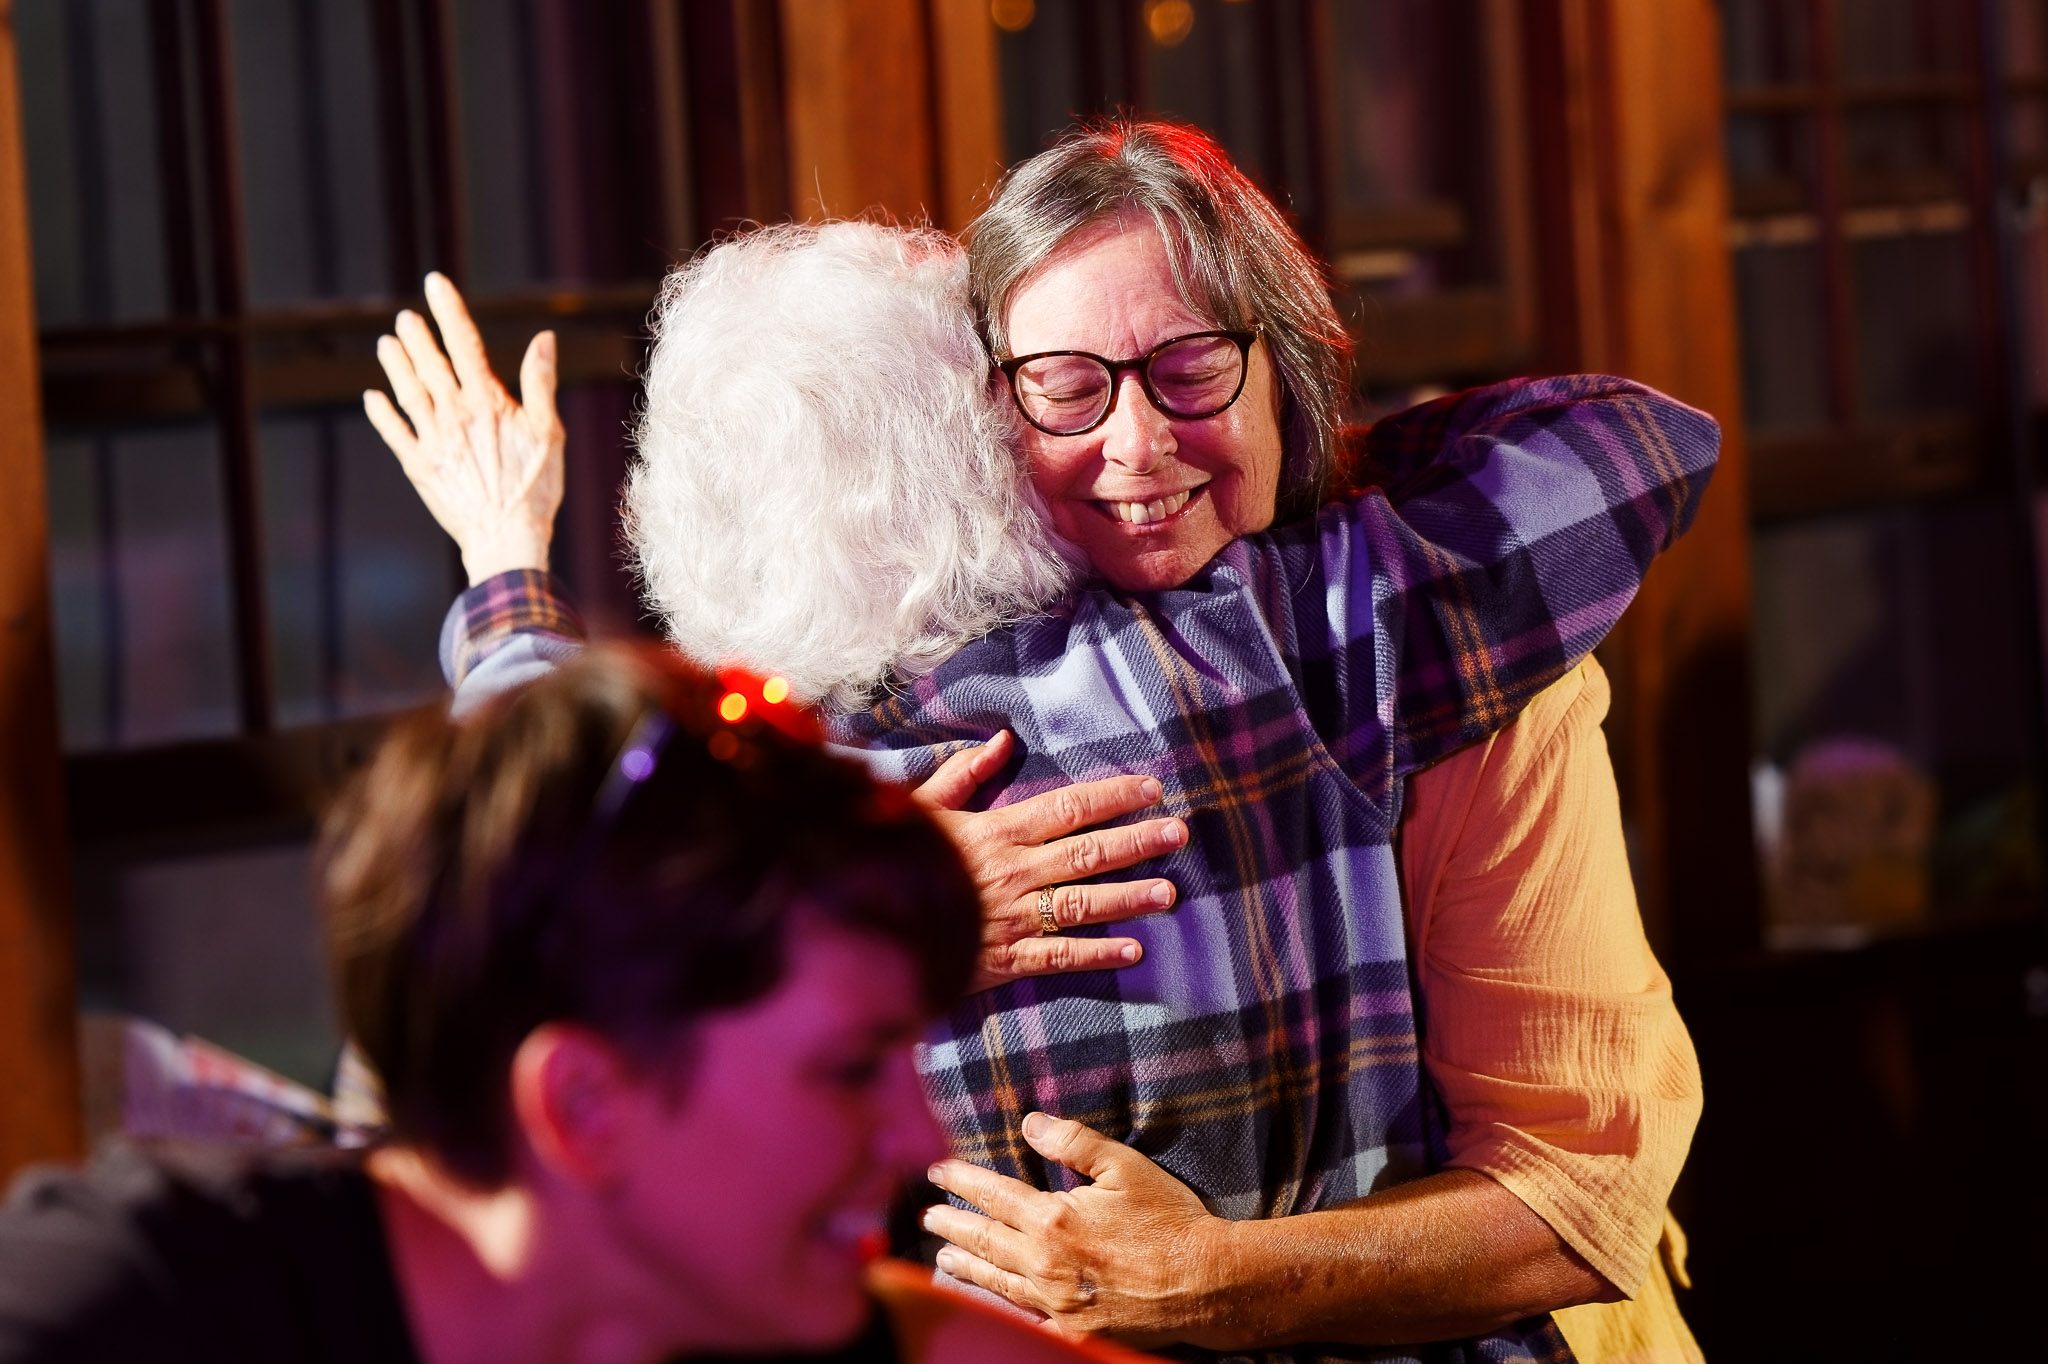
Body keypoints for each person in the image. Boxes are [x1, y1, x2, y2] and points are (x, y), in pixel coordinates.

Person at [366, 121, 1713, 1361]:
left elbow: (525, 829)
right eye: (1064, 388)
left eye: (1193, 366)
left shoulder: (768, 791)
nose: (1135, 443)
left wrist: (502, 560)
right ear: (983, 433)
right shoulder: (1318, 633)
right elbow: (1632, 443)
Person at [0, 647, 1146, 1364]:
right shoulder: (133, 1303)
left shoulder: (770, 1307)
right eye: (850, 1066)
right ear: (583, 1101)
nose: (917, 1134)